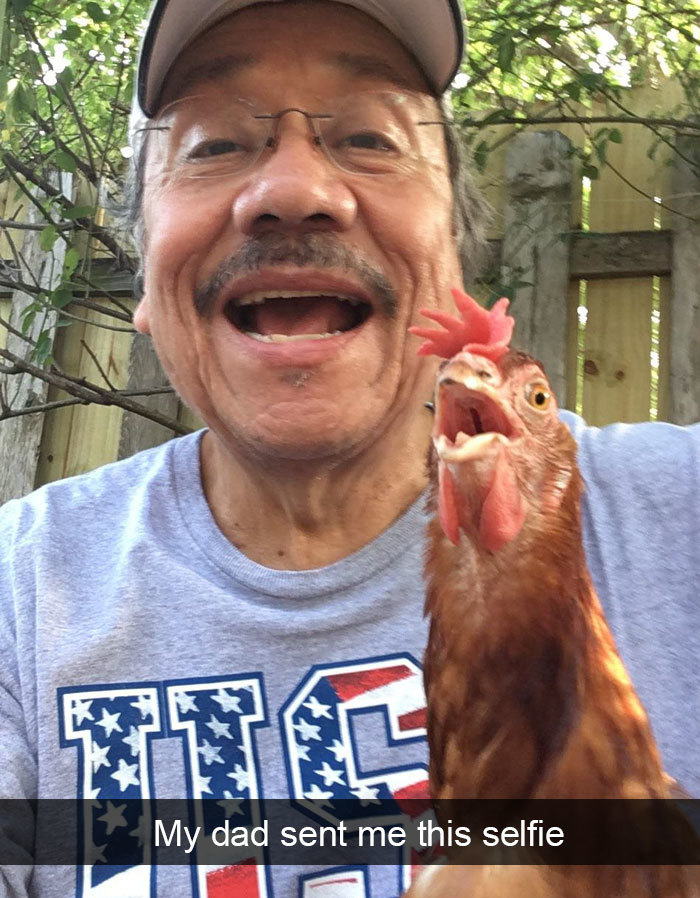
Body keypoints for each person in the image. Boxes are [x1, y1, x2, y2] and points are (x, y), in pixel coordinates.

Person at [0, 0, 698, 896]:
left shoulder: (682, 510)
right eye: (214, 144)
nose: (294, 191)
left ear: (452, 265)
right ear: (141, 285)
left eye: (370, 137)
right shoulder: (21, 601)